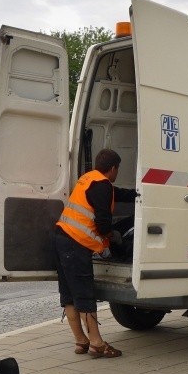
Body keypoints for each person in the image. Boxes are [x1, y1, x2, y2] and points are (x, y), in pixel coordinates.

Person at [53, 149, 136, 358]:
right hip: (76, 243)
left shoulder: (88, 178)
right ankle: (97, 343)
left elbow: (116, 193)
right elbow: (102, 222)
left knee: (69, 295)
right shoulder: (103, 185)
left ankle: (81, 341)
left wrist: (137, 193)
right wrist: (112, 237)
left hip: (61, 237)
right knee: (83, 293)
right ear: (114, 168)